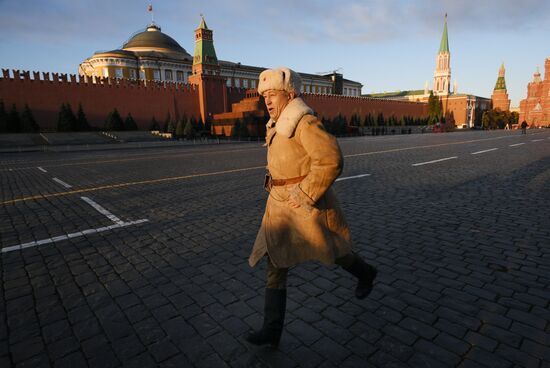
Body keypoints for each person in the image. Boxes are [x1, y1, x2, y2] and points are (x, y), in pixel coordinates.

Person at [246, 67, 377, 348]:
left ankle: (366, 273)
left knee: (336, 253)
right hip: (279, 206)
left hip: (306, 205)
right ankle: (271, 330)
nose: (267, 100)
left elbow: (330, 160)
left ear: (290, 94)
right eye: (264, 95)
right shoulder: (277, 123)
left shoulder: (303, 123)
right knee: (275, 262)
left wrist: (306, 193)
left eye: (273, 94)